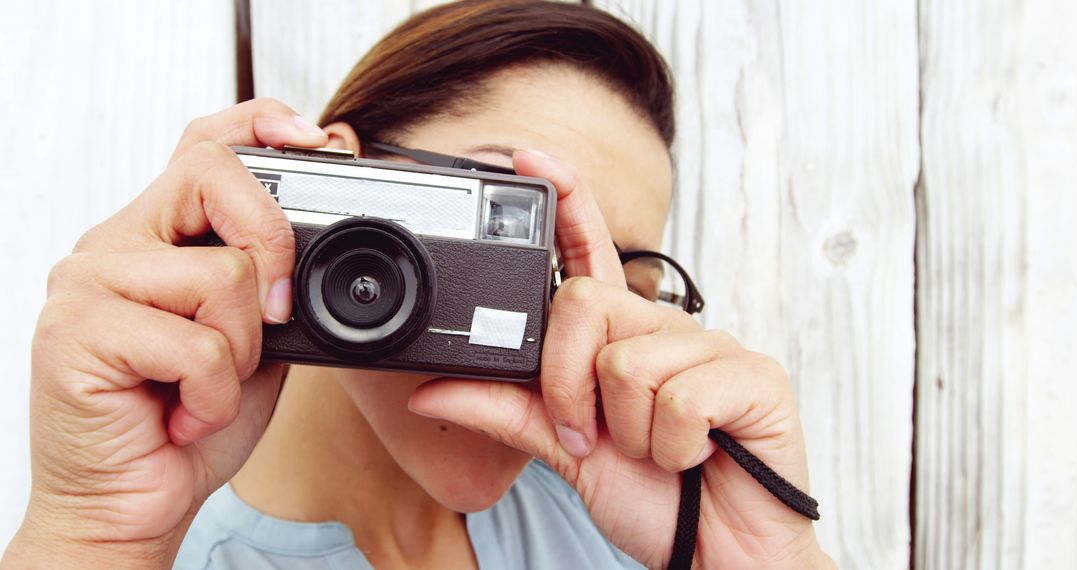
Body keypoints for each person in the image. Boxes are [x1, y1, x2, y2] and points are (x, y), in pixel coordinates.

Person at [3, 1, 834, 568]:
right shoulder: (137, 544)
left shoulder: (636, 517)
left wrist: (761, 558)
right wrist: (92, 538)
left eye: (625, 278)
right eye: (511, 224)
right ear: (326, 173)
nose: (558, 325)